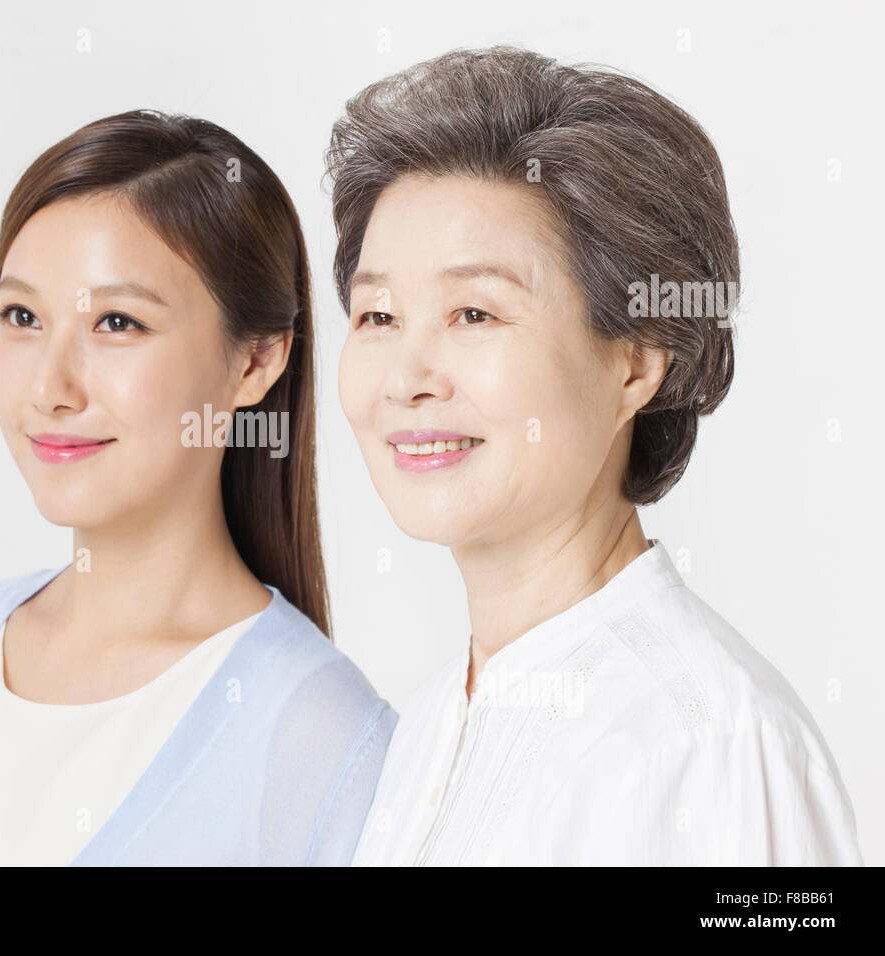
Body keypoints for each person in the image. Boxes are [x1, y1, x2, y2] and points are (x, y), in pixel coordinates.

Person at [326, 47, 862, 865]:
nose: (407, 378)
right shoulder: (429, 727)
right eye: (377, 316)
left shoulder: (713, 747)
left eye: (474, 312)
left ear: (637, 361)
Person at [0, 110, 395, 866]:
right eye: (22, 315)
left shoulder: (321, 741)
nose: (50, 387)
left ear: (256, 362)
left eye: (118, 323)